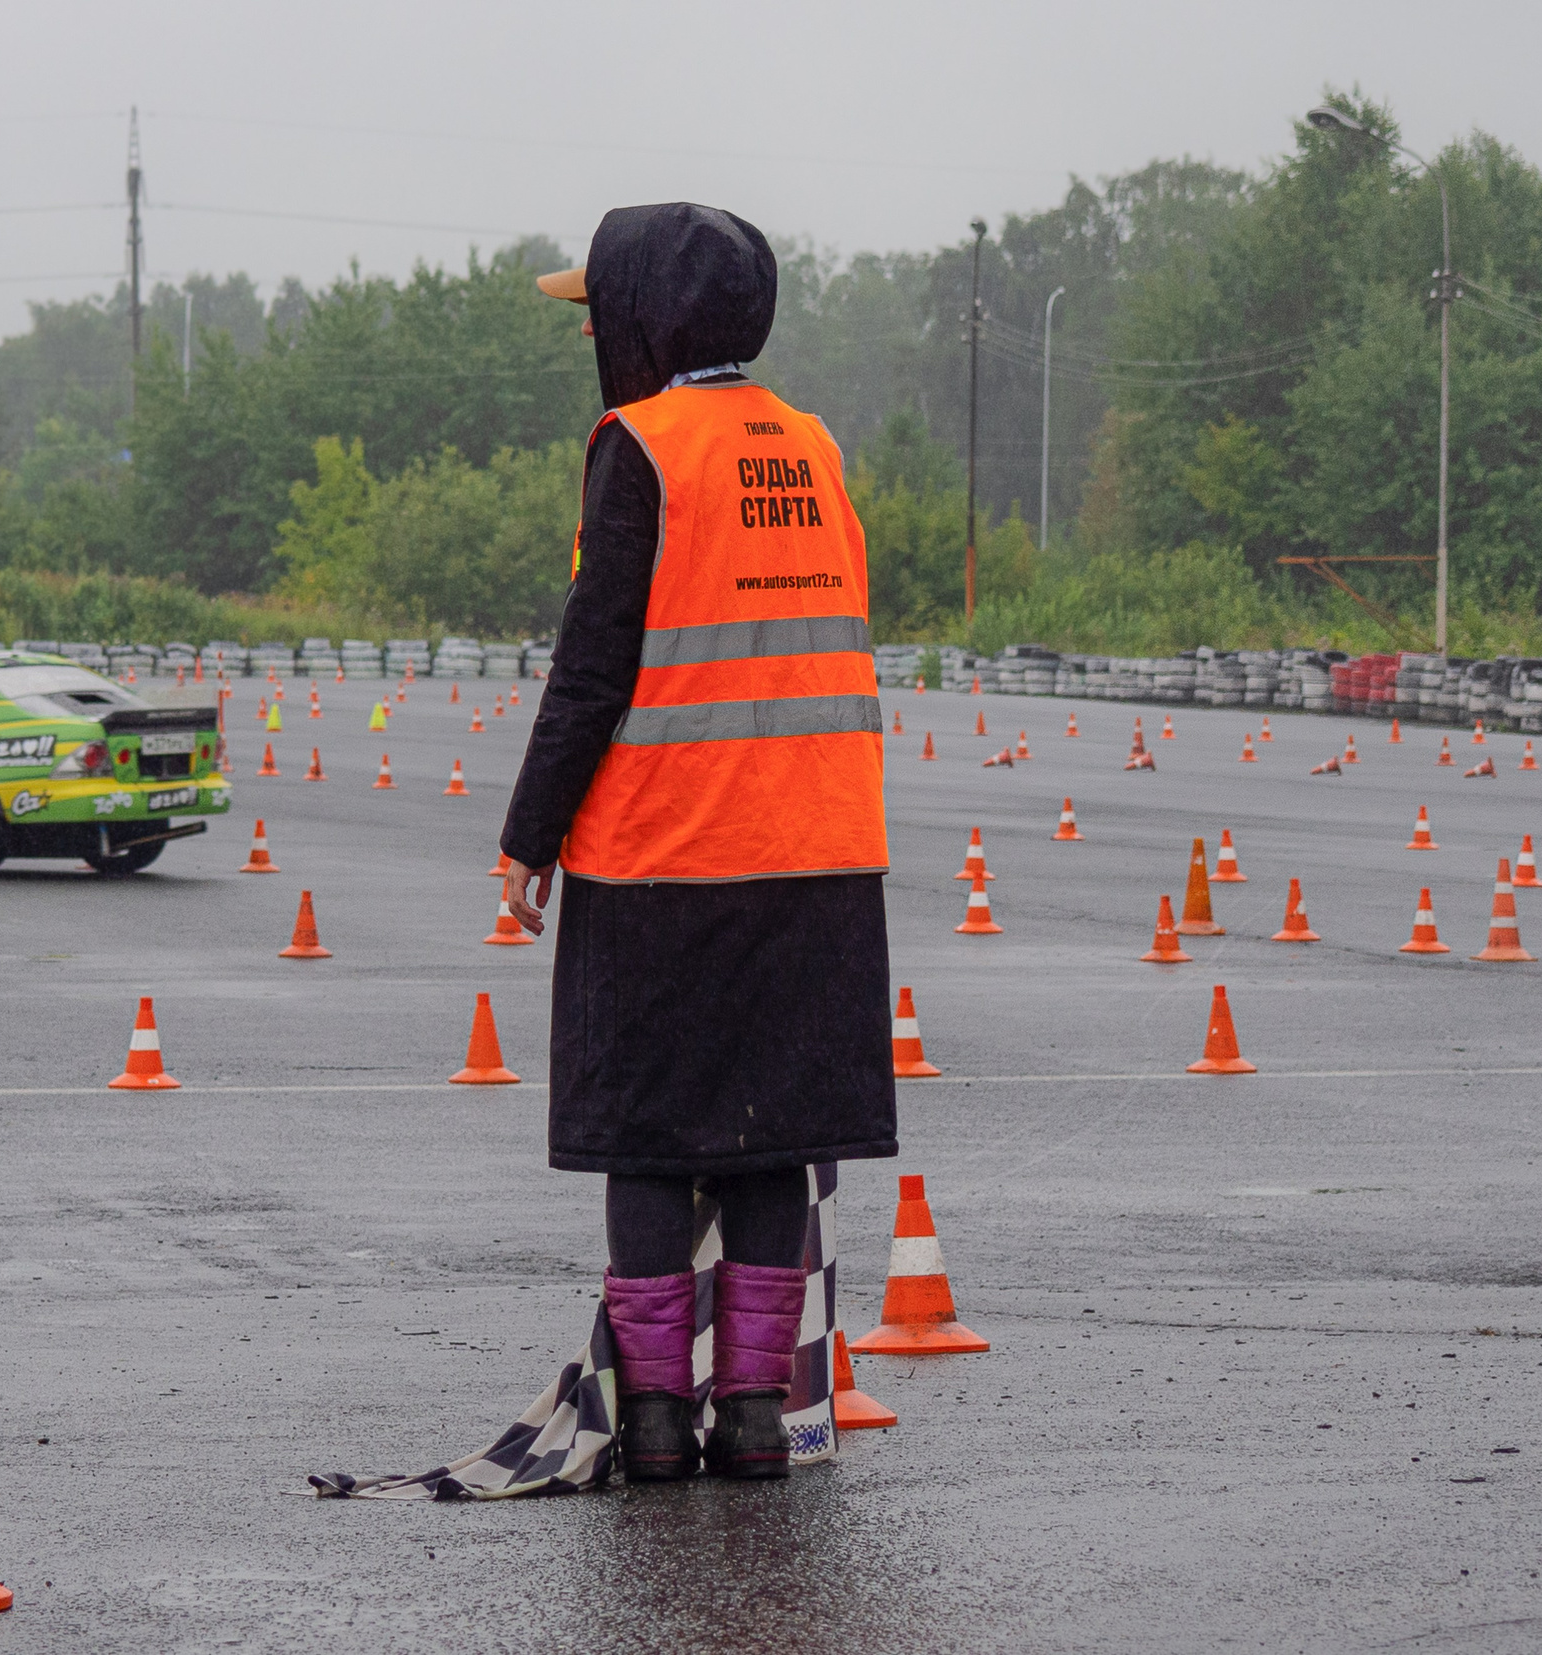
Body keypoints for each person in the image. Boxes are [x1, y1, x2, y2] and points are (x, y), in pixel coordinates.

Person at [500, 204, 898, 1483]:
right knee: (778, 1137)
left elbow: (592, 666)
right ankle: (756, 1416)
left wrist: (529, 836)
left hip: (664, 858)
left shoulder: (641, 448)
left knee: (652, 1141)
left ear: (644, 315)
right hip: (822, 855)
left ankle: (659, 1421)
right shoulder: (816, 445)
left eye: (596, 310)